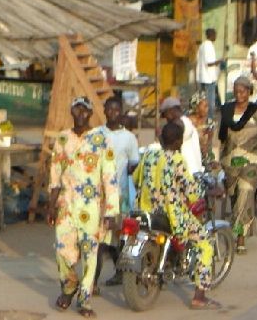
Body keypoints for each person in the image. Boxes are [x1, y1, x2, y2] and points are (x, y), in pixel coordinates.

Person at [133, 121, 220, 310]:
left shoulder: (149, 155)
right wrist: (210, 191)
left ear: (161, 139)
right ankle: (199, 297)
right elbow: (191, 191)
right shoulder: (177, 159)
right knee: (205, 244)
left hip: (147, 211)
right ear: (179, 141)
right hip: (173, 216)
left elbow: (136, 178)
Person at [47, 96, 119, 317]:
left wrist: (111, 211)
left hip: (91, 207)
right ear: (71, 111)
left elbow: (110, 177)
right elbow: (55, 175)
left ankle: (85, 300)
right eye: (76, 109)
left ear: (90, 113)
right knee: (61, 250)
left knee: (90, 254)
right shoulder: (62, 139)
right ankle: (69, 286)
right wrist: (50, 205)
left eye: (84, 110)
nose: (80, 113)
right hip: (65, 205)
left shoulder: (101, 140)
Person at [218, 76, 257, 254]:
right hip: (230, 161)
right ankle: (238, 229)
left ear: (249, 92)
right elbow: (221, 139)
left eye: (242, 91)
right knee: (235, 198)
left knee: (245, 194)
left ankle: (240, 238)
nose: (239, 95)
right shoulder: (226, 111)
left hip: (253, 161)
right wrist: (217, 162)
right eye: (236, 91)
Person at [94, 97, 139, 288]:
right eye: (109, 109)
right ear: (104, 110)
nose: (112, 113)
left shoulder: (128, 137)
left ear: (120, 112)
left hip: (119, 195)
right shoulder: (96, 134)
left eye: (116, 110)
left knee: (116, 238)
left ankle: (117, 274)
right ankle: (93, 281)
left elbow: (134, 162)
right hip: (97, 194)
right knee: (100, 240)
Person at [159, 97, 203, 175]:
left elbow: (168, 147)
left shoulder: (179, 123)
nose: (166, 119)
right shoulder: (188, 121)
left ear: (170, 111)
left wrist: (160, 136)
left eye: (165, 115)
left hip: (186, 172)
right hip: (195, 169)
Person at [196, 28, 222, 120]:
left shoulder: (202, 45)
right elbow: (209, 63)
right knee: (210, 101)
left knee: (202, 100)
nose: (215, 37)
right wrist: (219, 61)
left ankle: (202, 117)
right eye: (215, 35)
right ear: (211, 35)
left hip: (202, 77)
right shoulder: (209, 45)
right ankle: (209, 119)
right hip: (209, 78)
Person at [187, 91, 215, 162]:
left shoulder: (209, 123)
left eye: (207, 106)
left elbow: (209, 141)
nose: (207, 109)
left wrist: (206, 147)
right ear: (196, 107)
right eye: (205, 106)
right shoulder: (187, 122)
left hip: (203, 158)